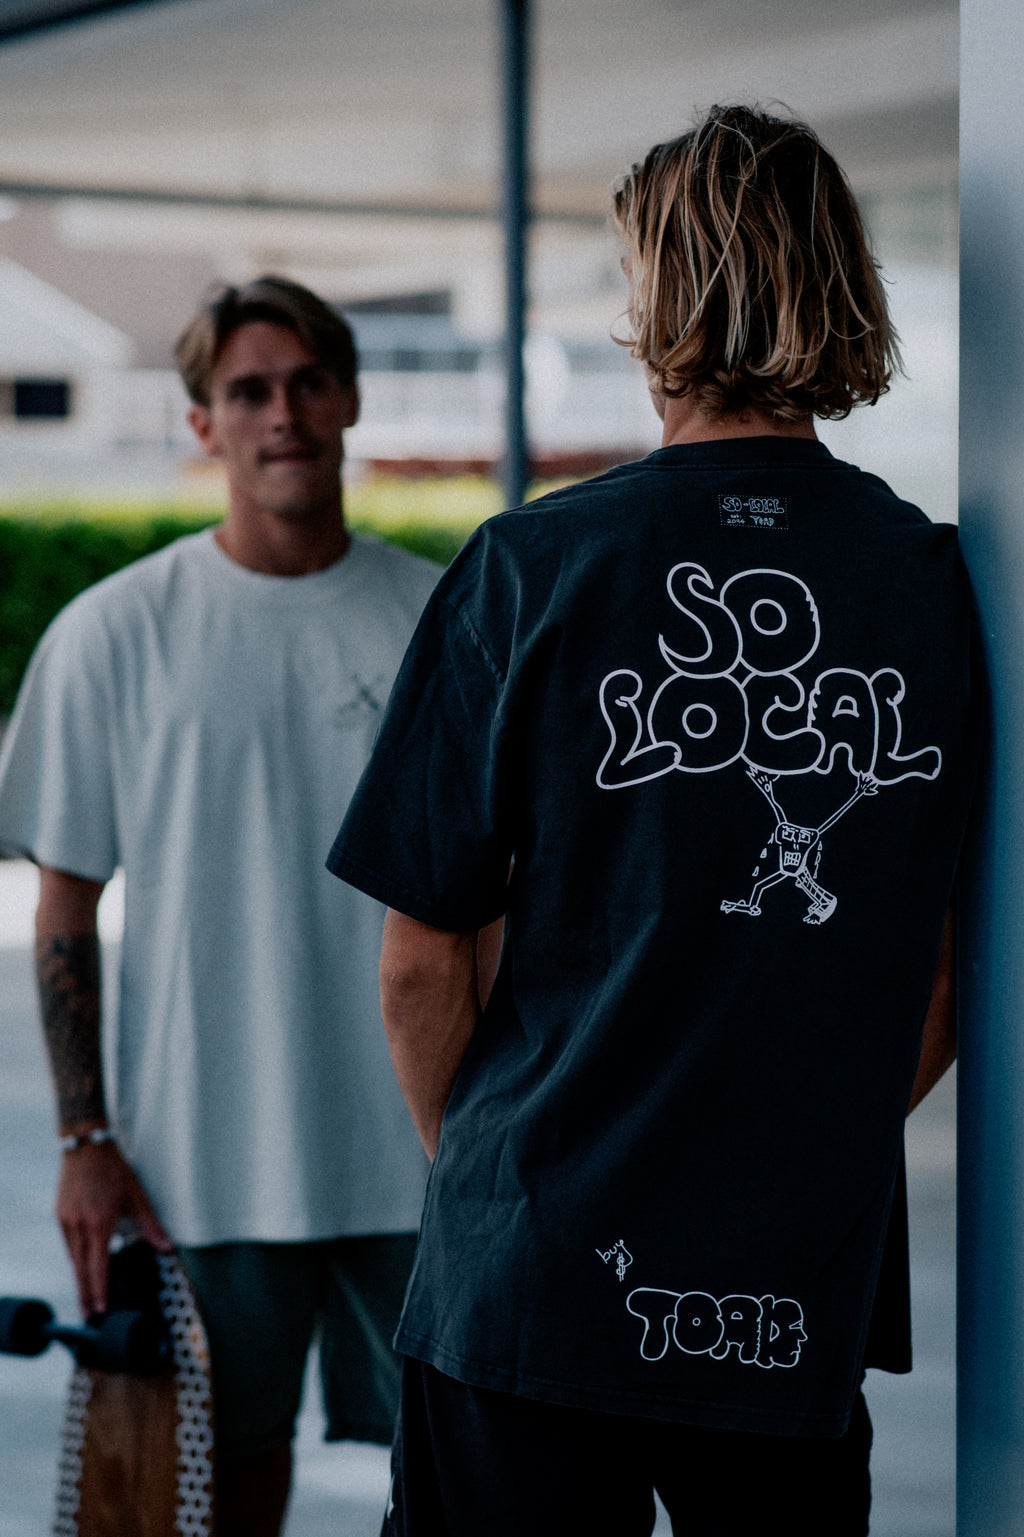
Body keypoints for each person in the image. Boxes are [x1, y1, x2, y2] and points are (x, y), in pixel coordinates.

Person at [325, 106, 980, 1536]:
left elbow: (420, 960)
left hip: (533, 1271)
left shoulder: (531, 567)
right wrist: (792, 1139)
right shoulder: (940, 589)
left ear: (664, 293)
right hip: (788, 1287)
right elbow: (945, 975)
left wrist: (500, 1184)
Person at [0, 276, 439, 1536]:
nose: (282, 413)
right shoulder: (112, 634)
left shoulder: (442, 619)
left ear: (350, 399)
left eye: (308, 383)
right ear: (201, 422)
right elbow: (64, 903)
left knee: (463, 1481)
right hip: (200, 1166)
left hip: (426, 1154)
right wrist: (84, 1140)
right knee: (216, 1492)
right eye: (248, 391)